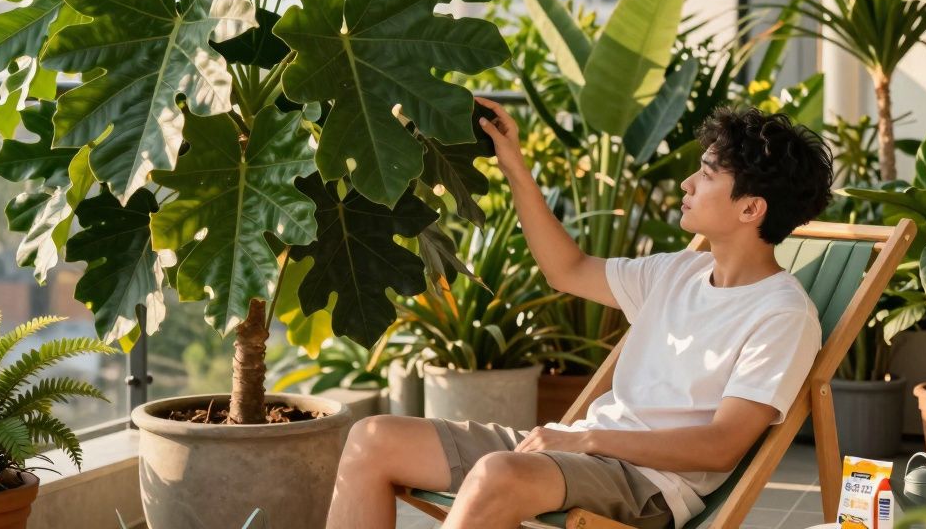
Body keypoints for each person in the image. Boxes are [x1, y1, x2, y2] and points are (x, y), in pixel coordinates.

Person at [325, 100, 836, 529]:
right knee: (375, 439)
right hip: (578, 455)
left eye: (705, 175)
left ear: (751, 210)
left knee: (497, 475)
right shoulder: (676, 272)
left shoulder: (782, 315)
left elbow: (721, 447)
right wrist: (513, 165)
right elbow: (566, 269)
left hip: (648, 484)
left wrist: (583, 437)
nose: (686, 184)